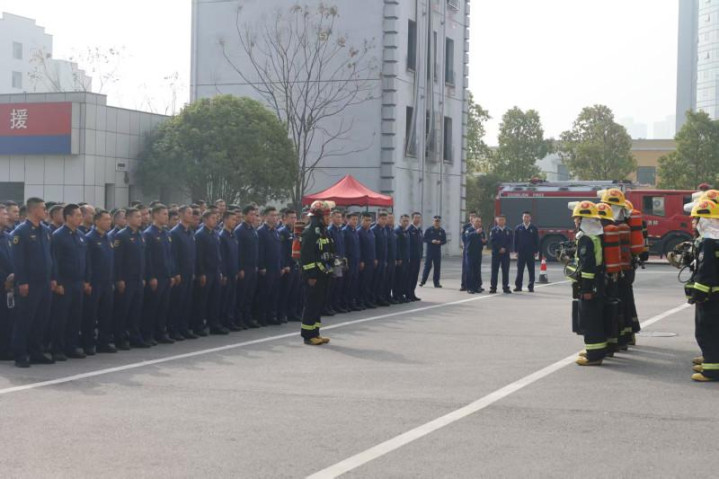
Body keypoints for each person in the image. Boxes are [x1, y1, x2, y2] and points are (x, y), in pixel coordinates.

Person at [10, 198, 54, 367]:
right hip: (30, 283)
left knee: (41, 319)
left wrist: (53, 278)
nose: (46, 212)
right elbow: (18, 260)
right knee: (25, 319)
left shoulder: (46, 230)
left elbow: (51, 256)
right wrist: (22, 281)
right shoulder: (21, 231)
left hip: (45, 282)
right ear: (34, 210)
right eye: (43, 209)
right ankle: (20, 354)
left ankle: (36, 351)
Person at [566, 201, 607, 366]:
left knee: (589, 320)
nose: (575, 221)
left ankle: (593, 356)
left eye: (577, 218)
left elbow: (588, 267)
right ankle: (597, 351)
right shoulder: (596, 236)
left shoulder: (585, 239)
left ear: (583, 220)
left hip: (589, 286)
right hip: (598, 283)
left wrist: (586, 289)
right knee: (596, 319)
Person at [684, 198, 719, 381]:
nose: (693, 222)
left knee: (707, 331)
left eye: (696, 219)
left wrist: (697, 294)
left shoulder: (708, 242)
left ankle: (711, 370)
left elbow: (706, 272)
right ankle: (710, 361)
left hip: (711, 297)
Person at [49, 204, 90, 361]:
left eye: (81, 215)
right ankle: (57, 348)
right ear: (68, 217)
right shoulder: (58, 236)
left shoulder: (80, 235)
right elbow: (55, 260)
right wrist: (58, 282)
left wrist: (86, 280)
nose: (80, 218)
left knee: (75, 316)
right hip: (65, 282)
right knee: (61, 317)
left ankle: (71, 346)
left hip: (78, 282)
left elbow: (86, 259)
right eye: (77, 215)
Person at [299, 200, 333, 345]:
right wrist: (311, 276)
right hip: (314, 276)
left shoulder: (323, 231)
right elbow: (306, 257)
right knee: (311, 304)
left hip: (323, 273)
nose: (329, 218)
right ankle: (308, 335)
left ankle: (316, 332)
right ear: (319, 217)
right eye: (327, 215)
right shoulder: (310, 232)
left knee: (318, 304)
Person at [113, 208, 148, 349]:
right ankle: (120, 338)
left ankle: (134, 336)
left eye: (140, 216)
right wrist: (119, 279)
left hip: (138, 278)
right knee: (123, 310)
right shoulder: (121, 236)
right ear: (128, 218)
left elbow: (142, 258)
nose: (140, 219)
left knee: (136, 310)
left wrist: (143, 276)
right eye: (137, 216)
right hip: (127, 279)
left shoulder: (140, 234)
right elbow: (118, 260)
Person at [142, 204, 176, 345]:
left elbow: (170, 255)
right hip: (156, 276)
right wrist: (151, 276)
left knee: (163, 307)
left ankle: (160, 333)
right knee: (152, 307)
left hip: (166, 275)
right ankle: (148, 334)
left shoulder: (167, 233)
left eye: (167, 214)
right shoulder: (149, 234)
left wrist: (172, 273)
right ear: (155, 215)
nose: (166, 217)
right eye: (164, 214)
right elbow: (147, 258)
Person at [83, 210, 116, 354]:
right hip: (94, 282)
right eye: (105, 219)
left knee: (106, 314)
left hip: (107, 282)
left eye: (109, 219)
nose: (109, 222)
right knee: (90, 315)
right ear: (96, 221)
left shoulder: (108, 237)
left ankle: (104, 342)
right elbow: (87, 262)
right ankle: (88, 343)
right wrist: (87, 282)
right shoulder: (89, 238)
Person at [194, 210, 227, 335]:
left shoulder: (215, 233)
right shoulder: (200, 235)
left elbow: (218, 254)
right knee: (202, 300)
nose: (215, 220)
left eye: (216, 218)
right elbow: (199, 256)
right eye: (212, 218)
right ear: (205, 220)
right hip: (206, 271)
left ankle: (214, 324)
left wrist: (220, 270)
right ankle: (198, 326)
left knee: (215, 299)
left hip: (216, 270)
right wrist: (201, 273)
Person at [169, 205, 198, 340]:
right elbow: (173, 255)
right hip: (180, 273)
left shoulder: (190, 232)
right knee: (178, 303)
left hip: (189, 272)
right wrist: (176, 272)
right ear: (181, 214)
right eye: (188, 213)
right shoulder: (175, 232)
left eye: (192, 213)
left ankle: (183, 328)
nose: (191, 215)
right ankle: (174, 330)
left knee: (187, 302)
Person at [257, 207, 283, 326]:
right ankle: (262, 317)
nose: (275, 218)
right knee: (265, 293)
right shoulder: (261, 231)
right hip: (267, 267)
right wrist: (262, 266)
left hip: (276, 267)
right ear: (266, 216)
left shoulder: (275, 231)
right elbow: (260, 250)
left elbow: (279, 250)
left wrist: (280, 266)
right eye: (272, 215)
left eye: (276, 215)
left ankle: (271, 315)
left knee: (274, 293)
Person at [236, 205, 260, 328]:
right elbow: (238, 251)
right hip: (244, 267)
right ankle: (239, 319)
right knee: (242, 295)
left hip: (252, 267)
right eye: (251, 214)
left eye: (255, 215)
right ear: (245, 215)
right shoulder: (240, 230)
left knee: (249, 294)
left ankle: (247, 317)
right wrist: (240, 268)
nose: (253, 217)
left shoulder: (253, 229)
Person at [219, 210, 242, 331]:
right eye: (233, 219)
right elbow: (222, 257)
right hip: (226, 273)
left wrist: (237, 270)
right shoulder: (222, 236)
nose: (235, 221)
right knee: (225, 299)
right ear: (225, 220)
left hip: (233, 272)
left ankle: (230, 320)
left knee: (232, 298)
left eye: (236, 219)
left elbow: (236, 255)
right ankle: (223, 322)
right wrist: (223, 273)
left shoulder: (233, 235)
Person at [278, 209, 301, 322]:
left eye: (295, 217)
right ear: (285, 219)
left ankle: (292, 312)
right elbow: (281, 251)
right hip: (288, 266)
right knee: (285, 291)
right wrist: (284, 265)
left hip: (295, 265)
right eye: (291, 218)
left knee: (295, 291)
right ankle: (282, 313)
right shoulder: (282, 232)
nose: (294, 220)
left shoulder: (295, 232)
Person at [0, 204, 15, 360]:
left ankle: (5, 349)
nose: (7, 216)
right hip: (2, 283)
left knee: (7, 319)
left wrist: (13, 277)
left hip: (9, 286)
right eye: (4, 214)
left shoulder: (8, 237)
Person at [327, 209, 348, 313]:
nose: (340, 219)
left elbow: (342, 246)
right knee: (332, 285)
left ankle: (336, 304)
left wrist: (344, 258)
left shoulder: (340, 230)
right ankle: (329, 306)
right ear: (331, 218)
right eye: (337, 217)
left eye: (340, 217)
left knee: (339, 284)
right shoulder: (330, 231)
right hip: (334, 260)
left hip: (340, 260)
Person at [513, 211, 539, 292]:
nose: (526, 218)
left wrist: (536, 251)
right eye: (525, 217)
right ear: (522, 218)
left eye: (527, 217)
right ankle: (518, 286)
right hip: (521, 253)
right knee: (520, 270)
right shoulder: (518, 228)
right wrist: (516, 251)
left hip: (530, 252)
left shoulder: (533, 228)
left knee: (531, 270)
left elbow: (536, 240)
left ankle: (531, 287)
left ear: (530, 218)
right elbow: (515, 241)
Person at [342, 212, 362, 311]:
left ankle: (351, 302)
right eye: (353, 219)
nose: (355, 221)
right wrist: (345, 262)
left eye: (356, 219)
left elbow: (358, 247)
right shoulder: (345, 231)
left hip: (356, 260)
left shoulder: (355, 231)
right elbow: (344, 248)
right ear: (348, 220)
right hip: (349, 261)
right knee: (347, 283)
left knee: (354, 282)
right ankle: (345, 303)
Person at [489, 215, 513, 294]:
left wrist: (505, 248)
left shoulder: (509, 230)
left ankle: (505, 287)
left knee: (505, 271)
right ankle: (493, 288)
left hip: (505, 254)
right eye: (499, 220)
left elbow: (510, 241)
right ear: (496, 221)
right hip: (496, 253)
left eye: (502, 220)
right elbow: (492, 241)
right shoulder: (493, 230)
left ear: (505, 221)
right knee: (494, 271)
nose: (501, 221)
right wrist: (499, 248)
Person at [421, 216, 447, 288]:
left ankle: (436, 283)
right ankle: (423, 281)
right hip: (430, 251)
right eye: (435, 221)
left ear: (440, 222)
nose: (437, 222)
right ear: (433, 221)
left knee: (437, 267)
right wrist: (431, 241)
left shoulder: (442, 231)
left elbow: (444, 241)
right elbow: (424, 239)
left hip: (437, 251)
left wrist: (440, 242)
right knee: (427, 266)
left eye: (438, 221)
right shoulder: (429, 230)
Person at [358, 212, 377, 308]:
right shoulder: (359, 232)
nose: (368, 222)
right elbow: (359, 248)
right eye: (366, 220)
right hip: (364, 262)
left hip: (371, 260)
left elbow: (373, 247)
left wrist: (375, 258)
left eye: (369, 220)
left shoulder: (371, 232)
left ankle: (367, 300)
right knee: (362, 283)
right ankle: (360, 301)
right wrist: (361, 260)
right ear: (361, 220)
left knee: (369, 282)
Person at [371, 212, 390, 306]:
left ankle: (380, 298)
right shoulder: (373, 230)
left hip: (383, 259)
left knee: (382, 280)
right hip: (377, 259)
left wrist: (385, 259)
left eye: (385, 219)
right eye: (382, 219)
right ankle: (373, 299)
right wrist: (375, 258)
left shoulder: (384, 230)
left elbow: (385, 246)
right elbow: (373, 246)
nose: (384, 221)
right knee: (375, 280)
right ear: (377, 219)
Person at [466, 217, 487, 294]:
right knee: (470, 270)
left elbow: (484, 241)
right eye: (477, 221)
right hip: (470, 253)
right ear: (473, 222)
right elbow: (467, 237)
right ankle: (469, 287)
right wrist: (475, 232)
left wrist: (484, 241)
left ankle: (477, 286)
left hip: (478, 253)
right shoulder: (469, 229)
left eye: (480, 221)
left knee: (477, 270)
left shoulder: (482, 231)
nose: (478, 223)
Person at [393, 214, 410, 302]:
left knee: (404, 277)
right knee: (398, 278)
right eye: (404, 221)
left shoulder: (406, 231)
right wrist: (398, 258)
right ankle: (397, 295)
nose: (406, 222)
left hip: (406, 258)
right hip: (400, 259)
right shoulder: (397, 231)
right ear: (400, 221)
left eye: (407, 221)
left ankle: (401, 295)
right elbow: (397, 246)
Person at [406, 212, 423, 301]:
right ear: (412, 219)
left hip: (417, 257)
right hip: (411, 257)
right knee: (410, 276)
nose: (417, 219)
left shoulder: (419, 230)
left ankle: (412, 293)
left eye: (419, 218)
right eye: (416, 218)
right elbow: (408, 245)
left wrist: (421, 255)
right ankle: (408, 294)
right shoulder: (409, 229)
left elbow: (421, 245)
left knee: (415, 276)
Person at [461, 212, 477, 291]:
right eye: (471, 216)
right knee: (465, 268)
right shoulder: (466, 226)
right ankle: (464, 285)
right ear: (469, 217)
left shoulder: (479, 226)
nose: (472, 217)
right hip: (467, 249)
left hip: (475, 250)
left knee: (475, 268)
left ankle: (475, 285)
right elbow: (464, 237)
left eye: (474, 216)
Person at [385, 213, 398, 304]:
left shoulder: (392, 230)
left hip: (392, 259)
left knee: (391, 279)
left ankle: (388, 296)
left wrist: (396, 258)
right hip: (386, 259)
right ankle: (384, 297)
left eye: (392, 218)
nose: (391, 220)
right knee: (385, 280)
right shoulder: (384, 230)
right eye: (389, 218)